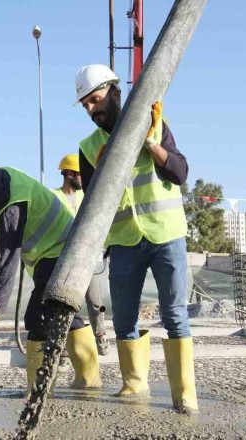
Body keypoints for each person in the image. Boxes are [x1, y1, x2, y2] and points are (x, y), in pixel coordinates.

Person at [74, 64, 196, 414]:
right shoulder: (88, 147)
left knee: (174, 314)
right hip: (125, 241)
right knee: (124, 317)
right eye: (85, 105)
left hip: (165, 233)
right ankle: (133, 384)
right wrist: (99, 170)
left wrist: (153, 145)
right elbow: (92, 204)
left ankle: (184, 395)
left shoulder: (153, 123)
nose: (91, 109)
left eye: (95, 100)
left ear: (114, 92)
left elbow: (181, 172)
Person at [0, 143, 101, 394]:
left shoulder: (11, 202)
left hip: (61, 252)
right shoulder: (4, 179)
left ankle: (40, 390)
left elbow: (9, 257)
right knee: (62, 312)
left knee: (38, 317)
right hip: (57, 252)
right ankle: (87, 379)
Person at [50, 154, 110, 356]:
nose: (83, 178)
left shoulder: (87, 196)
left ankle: (100, 337)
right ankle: (64, 348)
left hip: (86, 259)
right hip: (63, 261)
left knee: (95, 302)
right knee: (65, 306)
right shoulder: (53, 197)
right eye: (80, 174)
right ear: (68, 174)